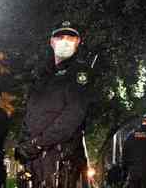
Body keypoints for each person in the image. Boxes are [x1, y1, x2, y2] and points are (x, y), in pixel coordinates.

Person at [16, 20, 96, 187]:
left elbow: (72, 116)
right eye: (60, 37)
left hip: (62, 158)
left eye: (71, 38)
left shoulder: (80, 73)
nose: (65, 41)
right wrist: (23, 143)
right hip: (36, 160)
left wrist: (38, 144)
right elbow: (30, 112)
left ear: (78, 42)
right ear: (52, 42)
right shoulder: (42, 75)